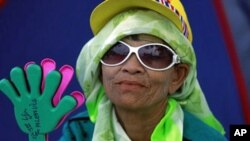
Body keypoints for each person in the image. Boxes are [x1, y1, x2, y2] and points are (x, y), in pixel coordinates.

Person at [59, 0, 228, 141]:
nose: (131, 67)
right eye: (117, 52)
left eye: (153, 54)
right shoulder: (77, 133)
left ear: (177, 76)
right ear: (99, 69)